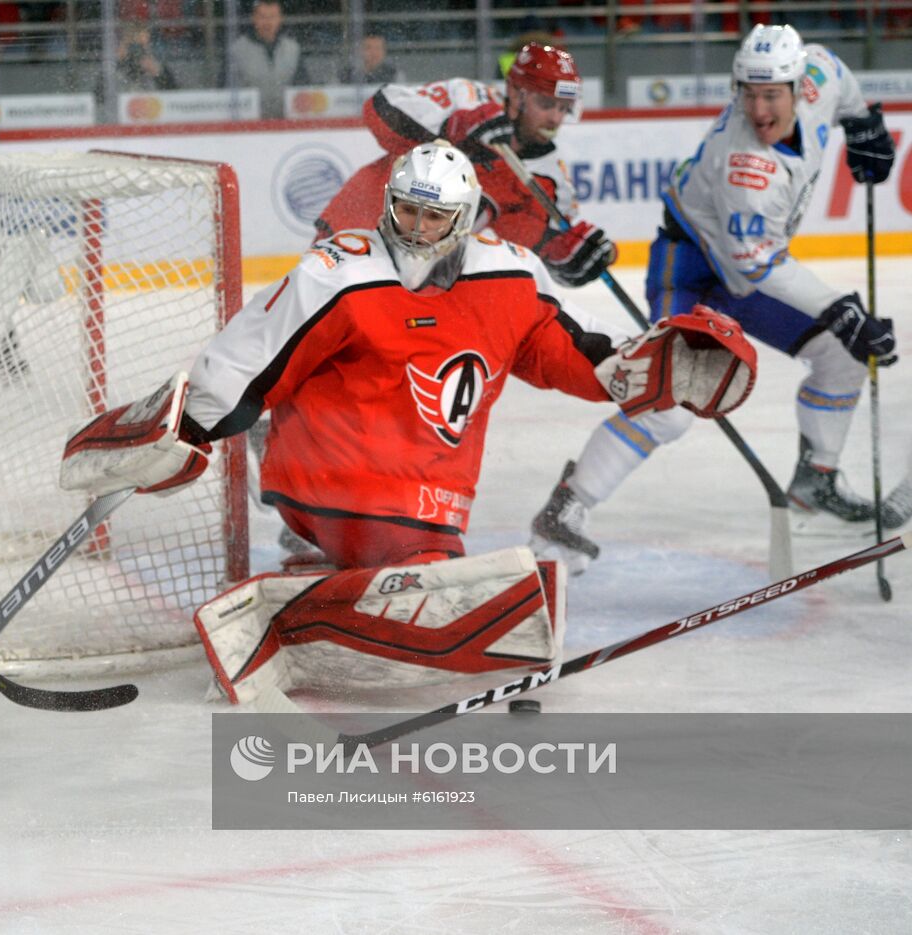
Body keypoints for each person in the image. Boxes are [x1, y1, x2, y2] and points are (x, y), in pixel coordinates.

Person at [60, 142, 756, 702]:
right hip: (327, 479)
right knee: (466, 599)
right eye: (405, 210)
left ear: (466, 218)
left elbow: (568, 351)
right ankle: (289, 620)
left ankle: (333, 579)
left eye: (433, 217)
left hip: (428, 502)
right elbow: (249, 360)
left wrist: (649, 369)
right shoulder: (343, 272)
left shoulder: (509, 278)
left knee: (454, 582)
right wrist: (190, 428)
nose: (415, 228)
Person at [528, 23, 904, 573]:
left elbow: (839, 76)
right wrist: (841, 309)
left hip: (748, 273)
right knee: (670, 405)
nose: (757, 109)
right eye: (747, 94)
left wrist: (864, 120)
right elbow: (758, 262)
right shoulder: (745, 164)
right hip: (692, 270)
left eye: (771, 94)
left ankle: (814, 478)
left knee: (844, 356)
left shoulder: (818, 70)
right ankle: (568, 506)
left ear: (801, 89)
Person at [315, 42, 616, 292]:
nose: (555, 118)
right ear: (515, 92)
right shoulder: (465, 98)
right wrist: (454, 125)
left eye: (563, 108)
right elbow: (378, 110)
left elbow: (527, 246)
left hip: (416, 281)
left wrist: (565, 259)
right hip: (353, 232)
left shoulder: (548, 180)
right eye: (546, 104)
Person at [226, 0, 309, 120]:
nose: (268, 22)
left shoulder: (293, 49)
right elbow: (225, 92)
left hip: (288, 125)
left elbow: (303, 87)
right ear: (254, 18)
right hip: (248, 127)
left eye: (272, 16)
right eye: (263, 16)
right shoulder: (237, 50)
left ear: (280, 18)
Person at [115, 23, 178, 93]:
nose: (136, 49)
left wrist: (158, 73)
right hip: (127, 96)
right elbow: (114, 87)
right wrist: (120, 59)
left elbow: (174, 92)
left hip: (154, 99)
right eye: (134, 42)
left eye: (141, 45)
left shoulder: (156, 61)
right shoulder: (122, 63)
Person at [338, 33, 403, 86]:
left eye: (378, 48)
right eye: (368, 48)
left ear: (384, 52)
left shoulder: (394, 74)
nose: (373, 53)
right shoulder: (346, 74)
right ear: (359, 51)